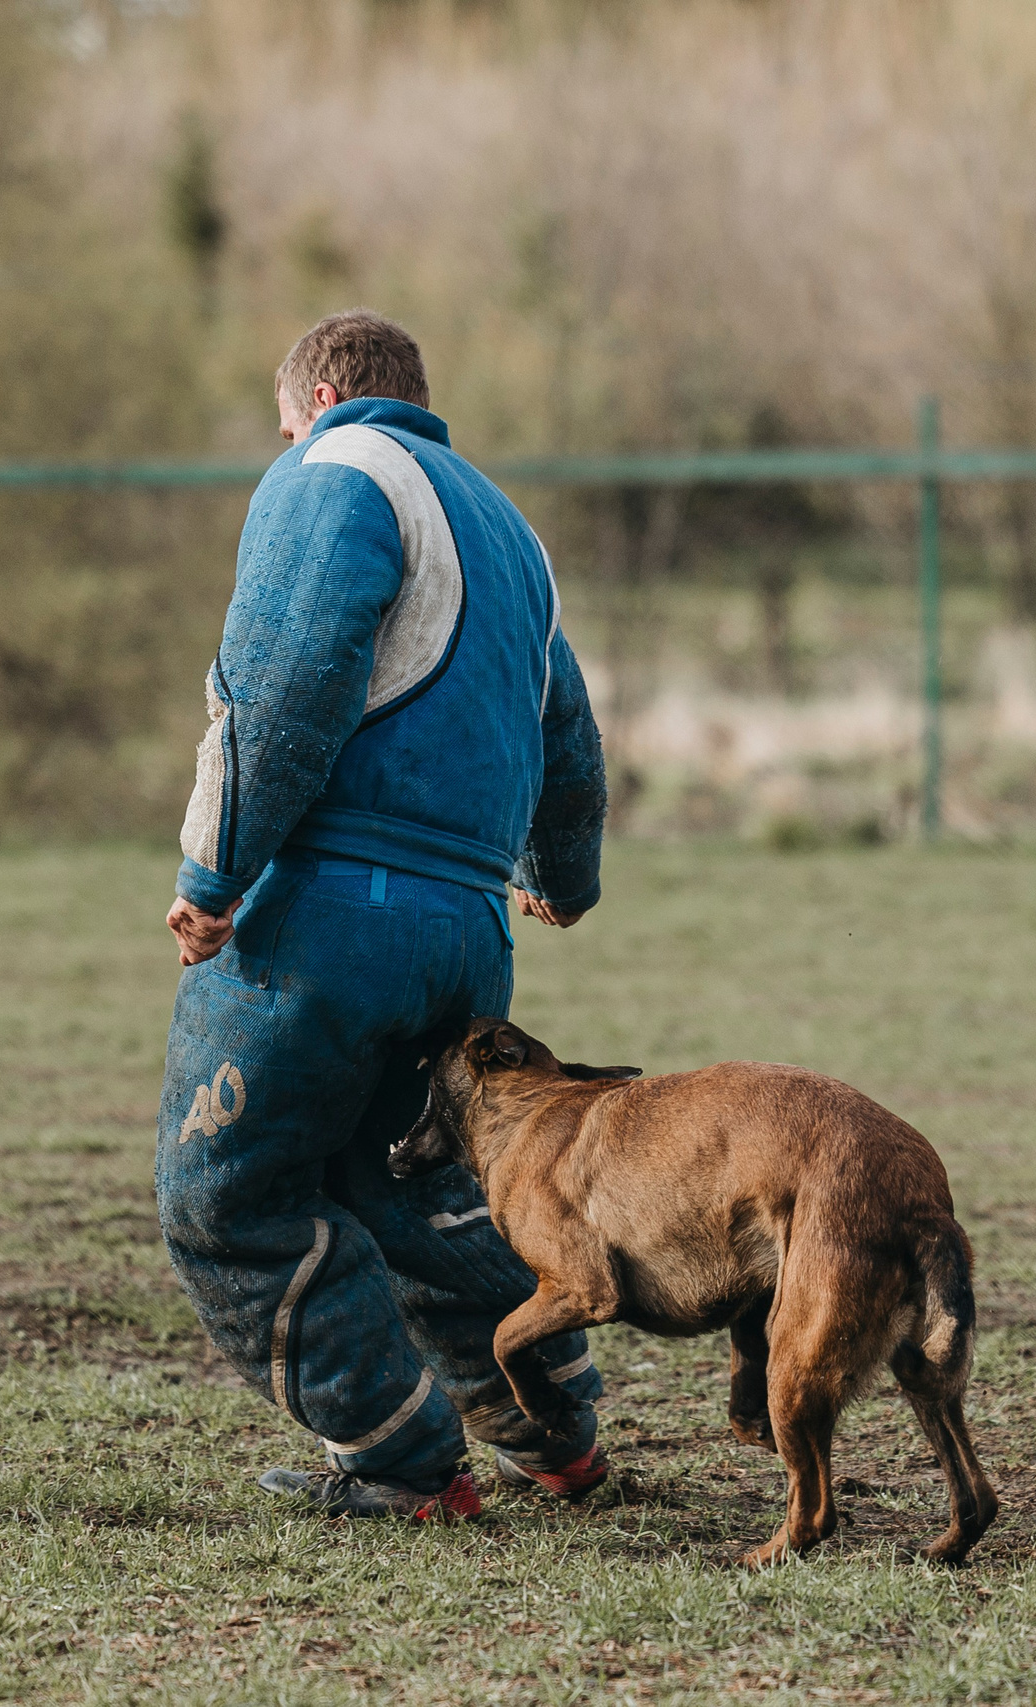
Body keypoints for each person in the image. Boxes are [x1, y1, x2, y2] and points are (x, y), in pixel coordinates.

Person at [155, 310, 609, 1522]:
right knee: (414, 1186)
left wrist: (213, 873)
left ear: (307, 403)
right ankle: (554, 1429)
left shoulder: (334, 471)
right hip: (466, 927)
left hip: (331, 915)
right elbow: (564, 724)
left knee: (228, 1196)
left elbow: (285, 679)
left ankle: (403, 1463)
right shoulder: (507, 528)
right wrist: (560, 872)